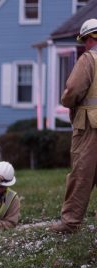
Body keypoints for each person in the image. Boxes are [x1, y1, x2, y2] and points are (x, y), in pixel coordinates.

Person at [50, 19, 97, 234]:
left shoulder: (88, 59)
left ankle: (70, 222)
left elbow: (72, 90)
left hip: (89, 126)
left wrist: (66, 102)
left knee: (82, 172)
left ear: (89, 39)